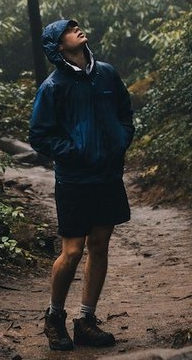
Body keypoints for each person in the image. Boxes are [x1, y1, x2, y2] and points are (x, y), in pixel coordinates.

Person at [29, 19, 135, 350]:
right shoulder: (53, 86)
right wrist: (75, 153)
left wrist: (120, 141)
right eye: (68, 30)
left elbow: (124, 112)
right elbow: (39, 135)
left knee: (100, 243)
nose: (78, 30)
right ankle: (54, 317)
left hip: (108, 176)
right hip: (74, 179)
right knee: (72, 251)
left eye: (76, 26)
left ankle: (86, 321)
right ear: (59, 47)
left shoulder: (106, 73)